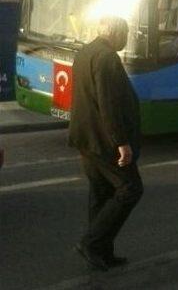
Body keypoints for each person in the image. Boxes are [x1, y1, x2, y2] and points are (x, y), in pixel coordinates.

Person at [68, 16, 143, 271]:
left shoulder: (85, 52)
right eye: (125, 33)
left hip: (84, 136)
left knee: (101, 193)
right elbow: (108, 103)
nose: (126, 39)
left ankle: (101, 252)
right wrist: (121, 142)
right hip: (104, 140)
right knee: (130, 189)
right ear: (114, 32)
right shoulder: (108, 57)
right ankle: (91, 243)